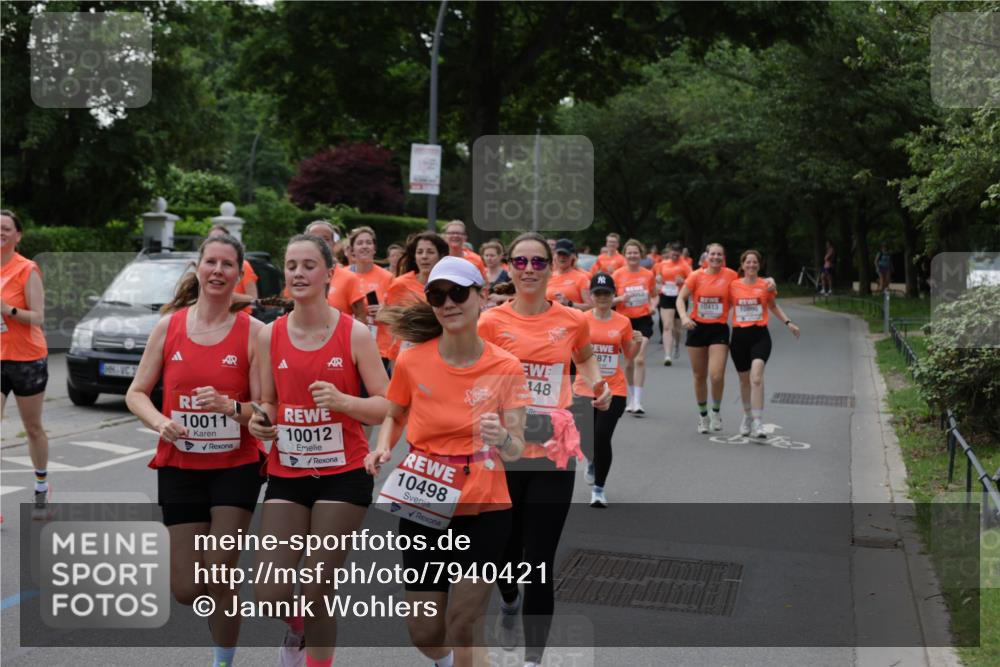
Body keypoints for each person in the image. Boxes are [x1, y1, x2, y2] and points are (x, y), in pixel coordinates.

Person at [367, 257, 529, 667]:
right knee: (425, 633)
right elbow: (395, 412)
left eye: (459, 293)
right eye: (438, 295)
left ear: (481, 297)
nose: (449, 303)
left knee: (462, 624)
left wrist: (502, 436)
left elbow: (517, 448)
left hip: (484, 503)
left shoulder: (506, 366)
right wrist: (384, 446)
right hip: (425, 499)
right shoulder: (412, 360)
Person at [248, 233, 390, 667]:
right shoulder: (270, 335)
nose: (298, 273)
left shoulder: (355, 335)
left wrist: (345, 402)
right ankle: (297, 628)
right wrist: (260, 422)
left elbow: (387, 405)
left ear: (329, 273)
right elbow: (266, 403)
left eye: (309, 265)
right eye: (292, 265)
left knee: (315, 586)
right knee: (270, 593)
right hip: (288, 472)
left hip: (343, 474)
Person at [126, 234, 265, 667]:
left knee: (221, 569)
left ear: (239, 274)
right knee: (187, 589)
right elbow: (137, 393)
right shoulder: (170, 326)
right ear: (198, 268)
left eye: (228, 265)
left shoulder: (254, 332)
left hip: (235, 465)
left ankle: (222, 660)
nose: (218, 271)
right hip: (180, 465)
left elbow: (266, 413)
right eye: (211, 262)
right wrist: (160, 421)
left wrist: (233, 408)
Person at [478, 232, 612, 667]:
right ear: (510, 267)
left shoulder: (573, 320)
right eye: (522, 261)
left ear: (551, 268)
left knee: (539, 561)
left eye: (539, 262)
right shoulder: (490, 322)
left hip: (553, 455)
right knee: (503, 553)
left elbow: (586, 357)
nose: (530, 269)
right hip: (503, 455)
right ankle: (509, 598)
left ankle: (533, 659)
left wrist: (597, 383)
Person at [677, 243, 774, 434]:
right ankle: (703, 415)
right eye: (712, 254)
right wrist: (684, 317)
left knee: (716, 374)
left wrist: (769, 280)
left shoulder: (730, 275)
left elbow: (751, 280)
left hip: (718, 330)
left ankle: (716, 412)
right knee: (699, 376)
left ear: (724, 257)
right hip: (696, 328)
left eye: (719, 254)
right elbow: (681, 298)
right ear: (707, 256)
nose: (715, 257)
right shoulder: (696, 275)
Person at [0, 209, 50, 519]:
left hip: (28, 358)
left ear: (18, 235)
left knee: (32, 428)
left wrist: (8, 310)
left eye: (6, 228)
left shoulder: (27, 269)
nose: (0, 233)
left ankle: (41, 486)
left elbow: (39, 317)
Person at [576, 272, 640, 507]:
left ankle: (599, 489)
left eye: (606, 293)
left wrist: (638, 343)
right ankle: (591, 460)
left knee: (602, 436)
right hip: (583, 387)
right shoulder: (580, 320)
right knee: (585, 440)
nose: (602, 297)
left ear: (614, 295)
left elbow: (629, 355)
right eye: (598, 293)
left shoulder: (622, 322)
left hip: (614, 389)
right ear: (591, 296)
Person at [729, 250, 801, 438]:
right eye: (748, 262)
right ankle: (747, 417)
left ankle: (758, 422)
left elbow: (773, 305)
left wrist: (789, 323)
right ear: (743, 265)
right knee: (744, 381)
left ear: (759, 266)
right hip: (738, 338)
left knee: (757, 377)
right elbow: (723, 304)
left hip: (760, 336)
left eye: (755, 263)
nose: (751, 265)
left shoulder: (766, 285)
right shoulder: (733, 285)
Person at [385, 232, 449, 363]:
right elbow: (387, 317)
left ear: (441, 256)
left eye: (430, 252)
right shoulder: (401, 284)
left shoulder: (448, 284)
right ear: (414, 257)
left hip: (439, 349)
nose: (424, 257)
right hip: (404, 350)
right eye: (420, 252)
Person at [611, 240, 656, 415]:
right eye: (629, 253)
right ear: (624, 254)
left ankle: (637, 400)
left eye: (635, 252)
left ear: (641, 254)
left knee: (639, 359)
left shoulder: (648, 275)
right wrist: (621, 299)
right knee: (628, 362)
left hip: (643, 320)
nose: (632, 256)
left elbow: (654, 295)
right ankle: (632, 397)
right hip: (624, 322)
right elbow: (609, 300)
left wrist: (653, 306)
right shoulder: (617, 275)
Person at [348, 226, 394, 365]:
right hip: (349, 344)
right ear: (352, 250)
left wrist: (383, 311)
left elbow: (398, 313)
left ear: (374, 249)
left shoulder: (388, 277)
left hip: (379, 348)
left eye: (369, 242)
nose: (365, 246)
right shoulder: (344, 276)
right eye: (360, 243)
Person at [304, 220, 367, 321]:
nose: (320, 243)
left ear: (334, 244)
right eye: (314, 239)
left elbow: (361, 317)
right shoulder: (298, 277)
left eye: (326, 239)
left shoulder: (349, 278)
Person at [655, 243, 692, 366]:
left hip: (680, 297)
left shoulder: (685, 266)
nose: (675, 255)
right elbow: (656, 276)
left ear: (680, 254)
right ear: (669, 252)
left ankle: (676, 344)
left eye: (677, 253)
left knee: (677, 328)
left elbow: (692, 281)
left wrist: (683, 281)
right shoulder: (662, 264)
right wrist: (658, 278)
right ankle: (667, 355)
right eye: (673, 253)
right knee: (667, 326)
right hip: (665, 295)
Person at [209, 225, 257, 314]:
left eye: (220, 239)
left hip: (240, 318)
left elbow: (253, 298)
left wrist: (226, 296)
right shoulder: (205, 267)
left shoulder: (244, 266)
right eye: (212, 239)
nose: (216, 243)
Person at [547, 239, 592, 311]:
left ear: (572, 256)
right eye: (559, 254)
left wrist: (569, 303)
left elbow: (591, 307)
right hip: (550, 320)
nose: (562, 257)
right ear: (554, 255)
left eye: (566, 254)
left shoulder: (582, 278)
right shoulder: (548, 276)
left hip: (572, 320)